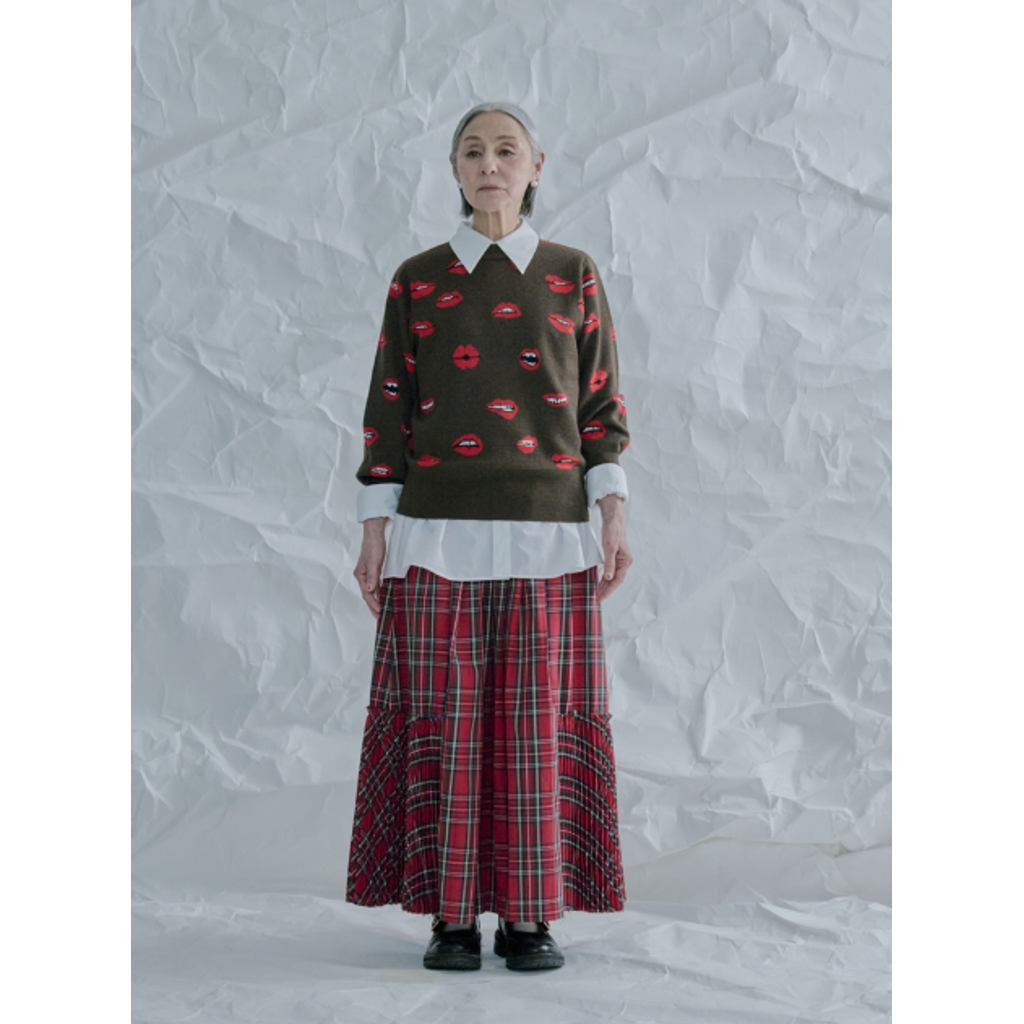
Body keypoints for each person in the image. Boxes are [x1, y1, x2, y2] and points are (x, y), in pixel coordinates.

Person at [347, 101, 632, 972]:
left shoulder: (571, 273)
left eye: (507, 150)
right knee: (445, 724)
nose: (490, 164)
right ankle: (451, 915)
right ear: (455, 170)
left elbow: (600, 405)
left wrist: (614, 511)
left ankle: (529, 916)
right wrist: (374, 530)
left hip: (550, 534)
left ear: (536, 165)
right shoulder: (418, 279)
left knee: (534, 730)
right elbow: (389, 407)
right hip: (436, 534)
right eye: (473, 151)